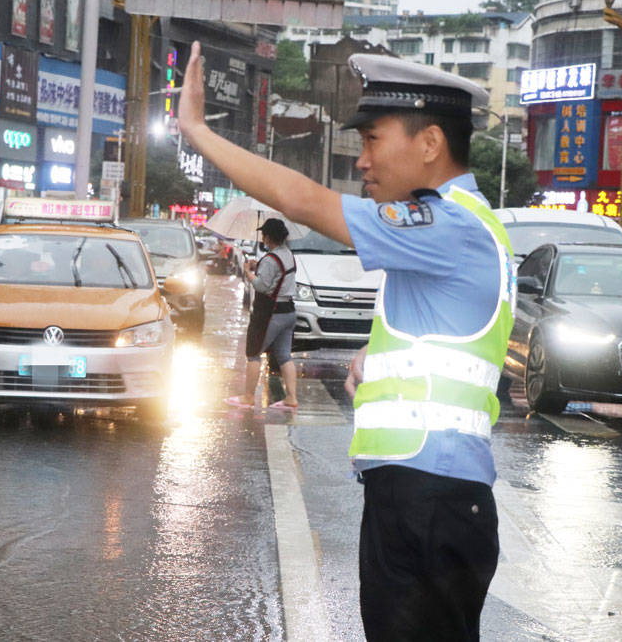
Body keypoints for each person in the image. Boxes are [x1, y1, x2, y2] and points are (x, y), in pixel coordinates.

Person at [179, 43, 515, 640]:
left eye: (372, 141)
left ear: (430, 144)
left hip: (429, 496)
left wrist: (198, 131)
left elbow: (304, 201)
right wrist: (373, 360)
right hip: (420, 491)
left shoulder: (451, 224)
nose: (362, 162)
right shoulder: (454, 229)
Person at [225, 218, 298, 410]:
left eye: (264, 234)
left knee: (254, 353)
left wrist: (249, 273)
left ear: (268, 237)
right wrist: (259, 267)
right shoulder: (288, 255)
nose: (262, 238)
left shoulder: (270, 259)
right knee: (284, 356)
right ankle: (291, 397)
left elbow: (262, 286)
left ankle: (248, 397)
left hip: (271, 313)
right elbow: (276, 276)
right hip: (289, 311)